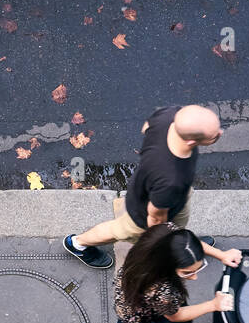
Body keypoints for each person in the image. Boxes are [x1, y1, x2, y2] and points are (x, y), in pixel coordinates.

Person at [63, 104, 239, 270]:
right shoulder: (171, 179)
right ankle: (78, 244)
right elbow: (157, 223)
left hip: (169, 198)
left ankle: (186, 244)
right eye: (214, 135)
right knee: (118, 230)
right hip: (145, 213)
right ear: (192, 142)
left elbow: (147, 126)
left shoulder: (170, 115)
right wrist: (171, 241)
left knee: (178, 224)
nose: (220, 133)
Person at [95, 223, 234, 323]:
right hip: (144, 313)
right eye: (187, 272)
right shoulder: (163, 290)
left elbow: (188, 244)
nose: (194, 277)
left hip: (126, 296)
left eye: (198, 268)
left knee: (125, 322)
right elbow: (176, 316)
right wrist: (213, 305)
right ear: (167, 266)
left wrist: (222, 255)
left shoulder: (165, 234)